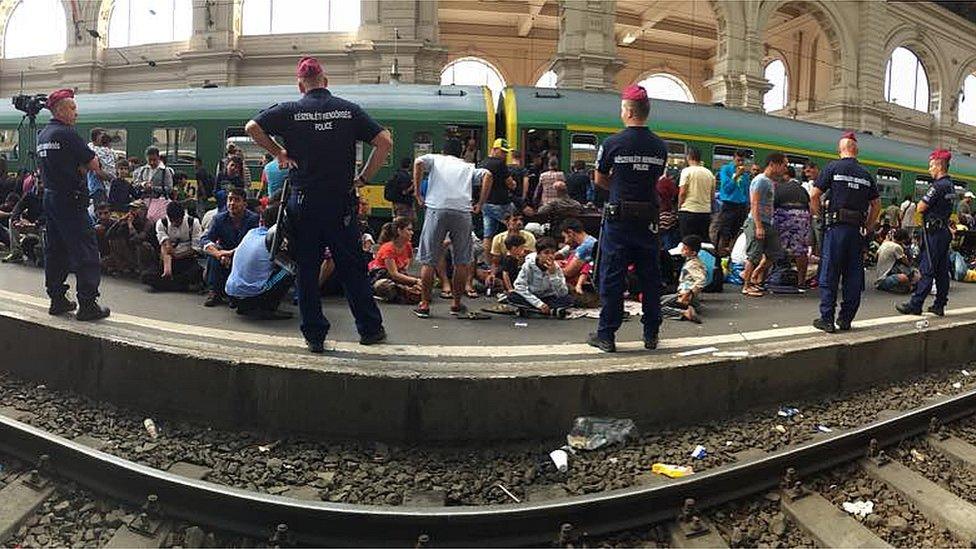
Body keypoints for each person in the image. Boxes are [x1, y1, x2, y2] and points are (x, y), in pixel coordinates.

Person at [245, 56, 392, 352]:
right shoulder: (348, 110)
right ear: (325, 82)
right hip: (340, 203)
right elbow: (385, 141)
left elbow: (252, 127)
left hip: (304, 203)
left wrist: (279, 153)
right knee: (352, 268)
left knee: (307, 270)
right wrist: (363, 178)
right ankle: (370, 329)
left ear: (301, 86)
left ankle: (314, 336)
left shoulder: (289, 110)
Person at [587, 85, 668, 352]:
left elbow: (600, 178)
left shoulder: (612, 143)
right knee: (650, 278)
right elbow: (653, 179)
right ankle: (651, 334)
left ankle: (607, 335)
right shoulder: (660, 147)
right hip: (648, 221)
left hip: (619, 220)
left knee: (612, 276)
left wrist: (620, 189)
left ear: (628, 111)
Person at [35, 89, 110, 320]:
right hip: (71, 199)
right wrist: (83, 165)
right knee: (85, 249)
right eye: (73, 108)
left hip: (51, 197)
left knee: (55, 249)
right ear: (60, 110)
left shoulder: (43, 135)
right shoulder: (68, 134)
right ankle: (87, 304)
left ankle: (57, 299)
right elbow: (95, 166)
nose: (76, 113)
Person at [810, 131, 881, 333]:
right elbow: (876, 205)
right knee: (853, 276)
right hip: (856, 231)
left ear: (840, 149)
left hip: (836, 229)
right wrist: (867, 226)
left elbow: (814, 195)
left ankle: (827, 319)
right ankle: (846, 319)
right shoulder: (866, 175)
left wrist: (819, 217)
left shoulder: (833, 168)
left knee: (830, 273)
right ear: (856, 150)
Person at [411, 138, 489, 318]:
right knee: (461, 261)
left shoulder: (436, 159)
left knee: (428, 260)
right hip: (462, 212)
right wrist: (480, 203)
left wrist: (417, 193)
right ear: (461, 152)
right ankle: (456, 303)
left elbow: (418, 162)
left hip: (436, 209)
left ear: (443, 150)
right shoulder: (468, 166)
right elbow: (488, 176)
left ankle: (424, 304)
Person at [896, 149, 955, 317]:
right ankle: (939, 304)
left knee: (927, 268)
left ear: (939, 166)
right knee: (942, 271)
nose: (929, 169)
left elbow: (921, 207)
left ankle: (916, 304)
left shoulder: (938, 186)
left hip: (933, 234)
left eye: (931, 166)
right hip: (943, 231)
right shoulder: (950, 185)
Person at [224, 204, 294, 319]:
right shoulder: (274, 239)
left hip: (231, 292)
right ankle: (268, 308)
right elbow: (288, 260)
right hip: (251, 296)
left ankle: (244, 305)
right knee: (290, 270)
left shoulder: (252, 232)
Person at [201, 187, 260, 306]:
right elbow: (205, 239)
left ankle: (236, 294)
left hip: (243, 255)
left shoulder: (253, 219)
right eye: (230, 199)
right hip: (223, 256)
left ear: (245, 204)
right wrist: (219, 254)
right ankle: (214, 292)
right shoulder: (219, 219)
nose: (232, 203)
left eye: (236, 200)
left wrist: (232, 253)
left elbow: (253, 242)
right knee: (213, 257)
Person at [741, 153, 788, 297]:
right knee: (754, 255)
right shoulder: (760, 180)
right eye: (784, 165)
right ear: (774, 164)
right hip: (757, 222)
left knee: (775, 253)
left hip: (768, 222)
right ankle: (746, 285)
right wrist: (758, 225)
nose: (785, 169)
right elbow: (754, 203)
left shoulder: (769, 182)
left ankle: (755, 275)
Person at [143, 200, 204, 292]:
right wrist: (167, 268)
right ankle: (178, 286)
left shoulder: (193, 223)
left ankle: (168, 285)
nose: (175, 223)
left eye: (178, 221)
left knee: (197, 273)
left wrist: (178, 255)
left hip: (186, 259)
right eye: (172, 221)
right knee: (146, 276)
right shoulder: (162, 223)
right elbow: (164, 244)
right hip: (168, 261)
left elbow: (196, 248)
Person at [507, 237, 573, 317]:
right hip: (532, 296)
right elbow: (519, 286)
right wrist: (538, 304)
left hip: (548, 297)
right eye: (546, 253)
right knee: (512, 296)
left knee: (568, 299)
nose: (550, 256)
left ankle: (532, 311)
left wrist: (553, 275)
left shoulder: (556, 268)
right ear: (538, 254)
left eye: (552, 253)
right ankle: (544, 310)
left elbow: (562, 292)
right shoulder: (529, 265)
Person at [367, 216, 422, 303]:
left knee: (424, 284)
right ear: (399, 231)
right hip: (381, 277)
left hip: (398, 276)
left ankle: (407, 292)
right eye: (409, 230)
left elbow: (406, 265)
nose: (412, 233)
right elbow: (394, 274)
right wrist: (415, 281)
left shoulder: (408, 245)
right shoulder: (388, 249)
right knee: (386, 286)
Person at [773, 165, 811, 288]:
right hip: (802, 216)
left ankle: (761, 278)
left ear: (786, 175)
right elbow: (809, 205)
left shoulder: (779, 187)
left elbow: (773, 205)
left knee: (775, 248)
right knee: (800, 251)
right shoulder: (802, 188)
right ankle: (801, 282)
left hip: (784, 215)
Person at [480, 138, 516, 261]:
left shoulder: (482, 163)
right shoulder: (500, 164)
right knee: (513, 227)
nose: (505, 155)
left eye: (506, 152)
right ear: (494, 150)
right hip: (501, 203)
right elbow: (510, 183)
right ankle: (512, 258)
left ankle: (488, 261)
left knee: (488, 234)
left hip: (486, 202)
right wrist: (514, 184)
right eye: (503, 152)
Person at [661, 234, 706, 323]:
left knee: (655, 307)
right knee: (661, 299)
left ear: (693, 253)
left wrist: (690, 293)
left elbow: (701, 280)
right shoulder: (690, 261)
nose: (682, 250)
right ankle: (691, 307)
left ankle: (683, 313)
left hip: (685, 295)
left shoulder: (693, 264)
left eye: (685, 249)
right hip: (685, 294)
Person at [716, 149, 752, 255]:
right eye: (738, 160)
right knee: (724, 231)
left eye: (742, 161)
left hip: (741, 205)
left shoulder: (745, 174)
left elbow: (746, 190)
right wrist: (736, 176)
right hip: (729, 204)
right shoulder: (726, 170)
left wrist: (748, 203)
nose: (740, 163)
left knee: (736, 232)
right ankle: (721, 253)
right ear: (734, 158)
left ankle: (732, 253)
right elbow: (726, 188)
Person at [488, 211, 536, 287]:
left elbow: (530, 258)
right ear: (507, 222)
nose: (519, 222)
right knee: (480, 273)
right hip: (505, 266)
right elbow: (495, 262)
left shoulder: (529, 236)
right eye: (515, 220)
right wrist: (492, 274)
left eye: (521, 219)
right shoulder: (498, 238)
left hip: (523, 268)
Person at [677, 147, 715, 242]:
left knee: (687, 241)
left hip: (688, 211)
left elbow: (682, 193)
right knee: (701, 242)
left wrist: (679, 206)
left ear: (688, 157)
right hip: (704, 213)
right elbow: (712, 196)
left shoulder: (686, 171)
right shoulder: (709, 173)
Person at [875, 228, 918, 294]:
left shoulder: (885, 243)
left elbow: (876, 256)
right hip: (884, 279)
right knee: (908, 276)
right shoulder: (897, 247)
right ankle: (909, 288)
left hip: (880, 276)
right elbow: (907, 262)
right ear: (903, 240)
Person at [656, 171, 679, 252]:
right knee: (668, 236)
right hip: (669, 213)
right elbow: (676, 195)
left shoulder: (657, 183)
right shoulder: (670, 183)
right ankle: (669, 256)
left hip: (659, 213)